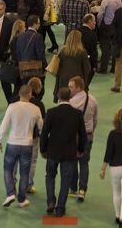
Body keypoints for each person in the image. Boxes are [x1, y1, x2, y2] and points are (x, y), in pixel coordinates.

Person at [40, 86, 87, 218]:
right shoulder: (77, 114)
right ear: (70, 97)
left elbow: (44, 133)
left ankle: (50, 201)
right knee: (65, 180)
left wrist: (43, 149)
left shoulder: (51, 112)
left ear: (58, 97)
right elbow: (82, 134)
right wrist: (81, 150)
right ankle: (60, 208)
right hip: (69, 153)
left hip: (53, 151)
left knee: (50, 176)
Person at [0, 84, 43, 208]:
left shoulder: (12, 107)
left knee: (8, 169)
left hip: (12, 143)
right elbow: (41, 127)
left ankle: (10, 193)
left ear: (19, 94)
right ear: (30, 94)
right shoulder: (36, 109)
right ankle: (22, 199)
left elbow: (4, 125)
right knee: (24, 173)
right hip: (28, 145)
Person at [68, 76, 98, 201]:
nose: (69, 89)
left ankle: (73, 188)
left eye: (71, 87)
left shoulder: (71, 103)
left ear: (79, 87)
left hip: (74, 136)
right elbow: (95, 119)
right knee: (84, 163)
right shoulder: (93, 100)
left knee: (73, 162)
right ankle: (82, 190)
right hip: (88, 135)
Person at [54, 29, 91, 101]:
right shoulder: (82, 52)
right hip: (76, 80)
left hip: (63, 79)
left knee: (63, 99)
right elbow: (87, 68)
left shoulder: (62, 51)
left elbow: (57, 66)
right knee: (76, 100)